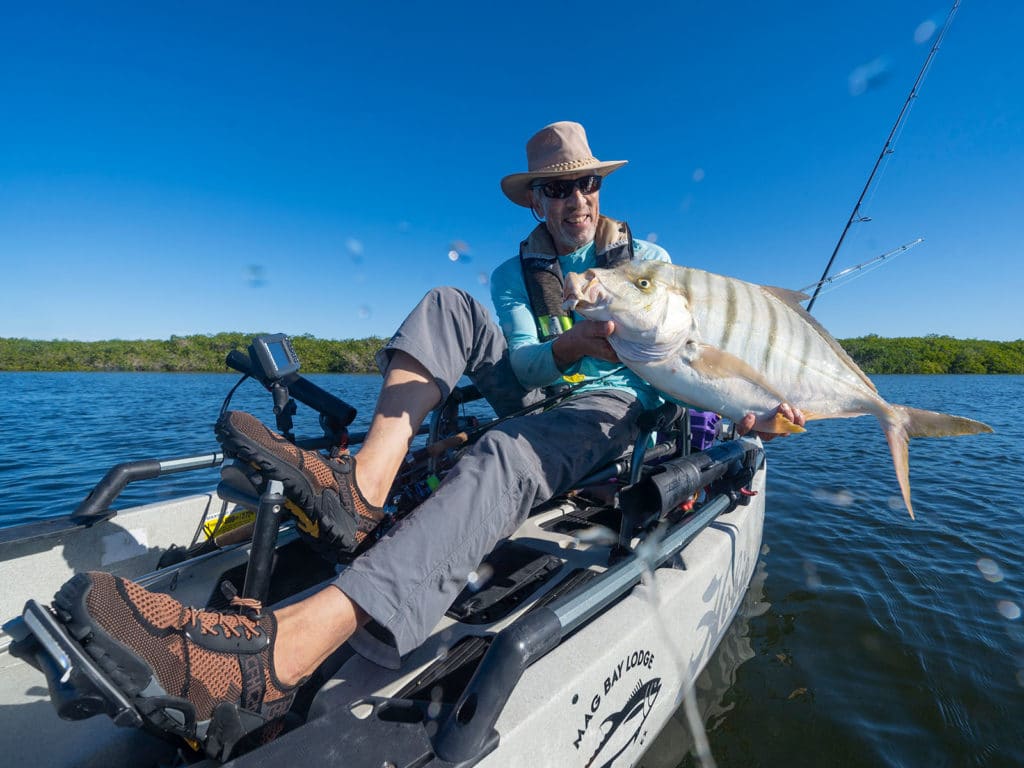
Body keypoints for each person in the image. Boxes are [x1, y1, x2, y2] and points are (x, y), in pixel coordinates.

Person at [45, 121, 804, 754]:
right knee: (447, 302)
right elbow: (519, 370)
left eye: (587, 183)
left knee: (504, 452)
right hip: (543, 384)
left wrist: (748, 414)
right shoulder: (517, 273)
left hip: (615, 408)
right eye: (556, 186)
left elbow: (686, 360)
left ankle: (275, 658)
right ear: (535, 196)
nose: (575, 198)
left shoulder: (651, 266)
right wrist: (571, 348)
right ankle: (361, 489)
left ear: (601, 190)